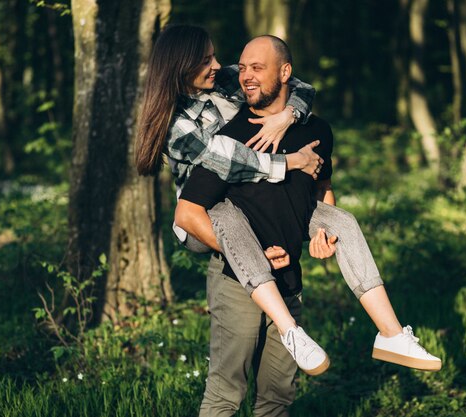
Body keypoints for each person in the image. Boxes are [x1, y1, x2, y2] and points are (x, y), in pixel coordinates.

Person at [135, 24, 332, 376]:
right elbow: (226, 160)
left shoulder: (223, 80)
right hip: (204, 216)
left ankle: (295, 330)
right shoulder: (175, 124)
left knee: (276, 386)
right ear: (181, 66)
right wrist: (291, 161)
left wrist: (286, 117)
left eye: (214, 56)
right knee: (229, 380)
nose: (218, 65)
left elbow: (298, 85)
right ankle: (290, 328)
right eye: (206, 59)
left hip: (250, 204)